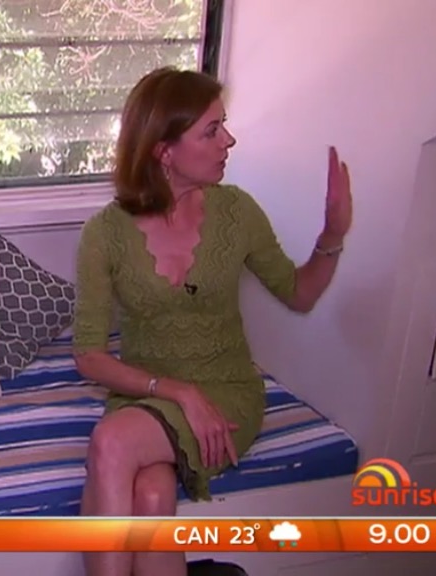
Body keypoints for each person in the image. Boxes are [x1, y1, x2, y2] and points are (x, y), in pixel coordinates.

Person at [72, 66, 353, 576]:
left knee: (111, 443)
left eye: (224, 125)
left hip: (226, 393)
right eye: (211, 130)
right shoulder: (105, 233)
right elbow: (89, 356)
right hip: (146, 394)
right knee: (151, 495)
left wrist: (332, 235)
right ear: (164, 150)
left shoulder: (238, 212)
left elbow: (300, 293)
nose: (229, 140)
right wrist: (177, 391)